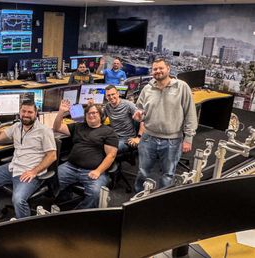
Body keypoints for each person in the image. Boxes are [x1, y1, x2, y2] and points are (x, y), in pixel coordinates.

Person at [0, 100, 57, 219]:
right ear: (19, 112)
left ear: (36, 113)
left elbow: (52, 156)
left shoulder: (44, 131)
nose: (26, 114)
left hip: (30, 172)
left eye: (30, 112)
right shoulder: (16, 126)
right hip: (14, 167)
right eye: (23, 111)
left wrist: (34, 172)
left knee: (18, 200)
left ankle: (24, 229)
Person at [132, 58, 198, 192]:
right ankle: (137, 198)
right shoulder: (147, 88)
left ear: (168, 69)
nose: (158, 71)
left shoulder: (181, 87)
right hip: (148, 137)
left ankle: (161, 199)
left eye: (161, 68)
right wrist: (139, 115)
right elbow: (140, 109)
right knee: (143, 171)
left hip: (172, 140)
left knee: (168, 174)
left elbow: (190, 114)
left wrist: (188, 138)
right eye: (155, 69)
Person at [53, 100, 118, 209]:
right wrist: (61, 112)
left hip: (93, 170)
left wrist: (98, 171)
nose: (91, 115)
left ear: (100, 115)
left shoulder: (108, 132)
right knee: (51, 182)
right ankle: (64, 199)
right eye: (88, 113)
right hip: (70, 167)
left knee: (95, 193)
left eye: (94, 113)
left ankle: (79, 214)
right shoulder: (78, 126)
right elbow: (57, 127)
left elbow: (111, 155)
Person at [104, 85, 145, 153]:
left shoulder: (128, 105)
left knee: (111, 150)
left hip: (127, 138)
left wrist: (139, 137)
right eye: (108, 95)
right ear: (106, 97)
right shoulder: (107, 107)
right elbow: (100, 120)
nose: (111, 97)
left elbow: (143, 120)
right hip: (114, 136)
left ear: (118, 94)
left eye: (113, 94)